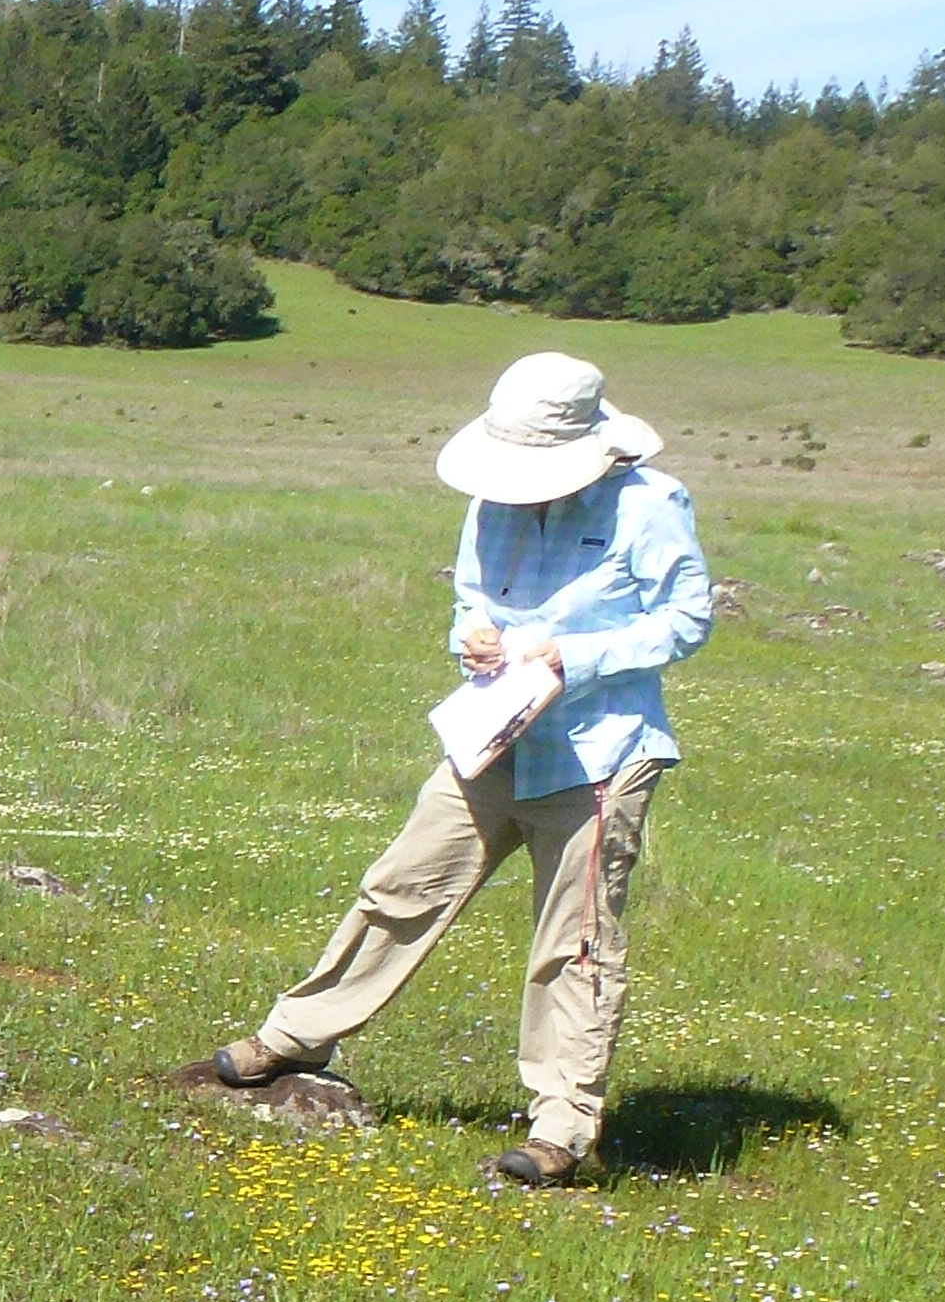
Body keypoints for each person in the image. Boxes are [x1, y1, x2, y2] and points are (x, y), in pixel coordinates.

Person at [213, 352, 715, 1188]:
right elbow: (471, 604)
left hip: (599, 753)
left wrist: (579, 655)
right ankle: (294, 1038)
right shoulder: (490, 502)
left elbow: (687, 620)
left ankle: (562, 1129)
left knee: (575, 943)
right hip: (491, 740)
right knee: (402, 886)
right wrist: (473, 642)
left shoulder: (648, 504)